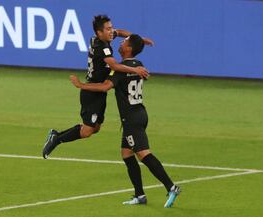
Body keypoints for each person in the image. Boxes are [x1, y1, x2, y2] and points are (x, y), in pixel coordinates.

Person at [69, 34, 180, 208]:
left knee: (143, 154)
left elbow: (105, 86)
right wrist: (140, 40)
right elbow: (126, 46)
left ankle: (171, 187)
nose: (120, 43)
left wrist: (81, 85)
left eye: (124, 42)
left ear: (128, 48)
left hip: (131, 119)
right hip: (140, 113)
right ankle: (140, 195)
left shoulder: (121, 69)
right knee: (126, 154)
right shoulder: (138, 64)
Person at [42, 15, 154, 159]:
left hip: (100, 90)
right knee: (88, 130)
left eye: (110, 28)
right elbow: (114, 65)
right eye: (108, 29)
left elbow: (119, 32)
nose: (111, 31)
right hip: (92, 90)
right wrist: (136, 70)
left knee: (95, 128)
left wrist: (139, 40)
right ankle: (56, 138)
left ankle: (56, 136)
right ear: (99, 32)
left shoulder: (101, 37)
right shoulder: (101, 47)